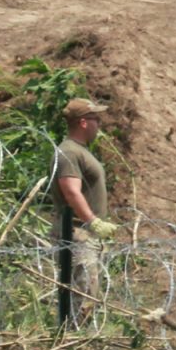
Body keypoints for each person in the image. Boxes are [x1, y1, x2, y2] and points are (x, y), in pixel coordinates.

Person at [51, 97, 119, 320]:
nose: (98, 124)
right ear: (83, 122)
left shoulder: (79, 151)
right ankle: (72, 343)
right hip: (77, 234)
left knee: (87, 296)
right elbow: (71, 190)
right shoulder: (70, 152)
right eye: (95, 119)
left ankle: (75, 340)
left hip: (85, 234)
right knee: (82, 300)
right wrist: (93, 221)